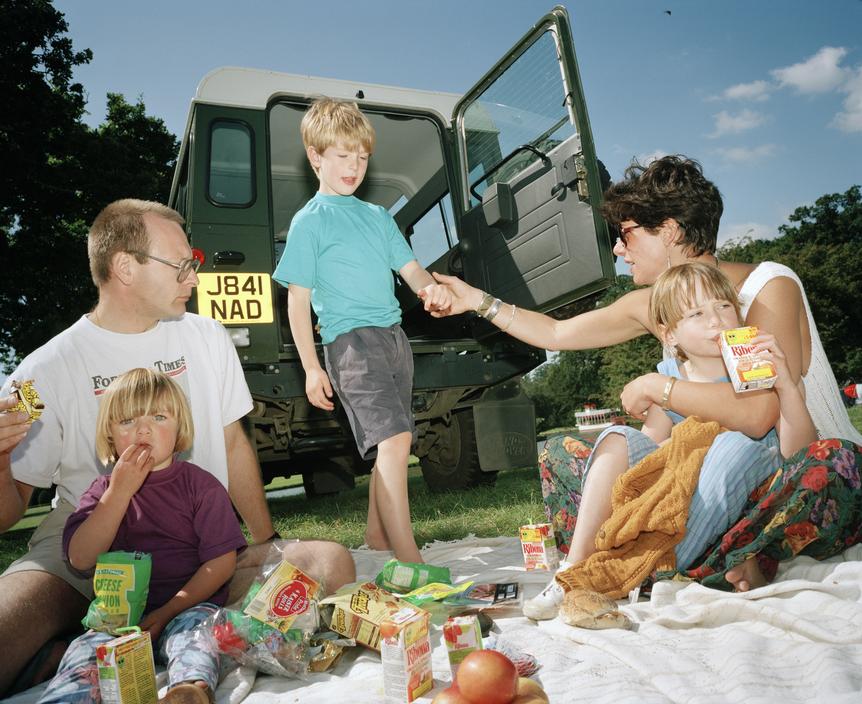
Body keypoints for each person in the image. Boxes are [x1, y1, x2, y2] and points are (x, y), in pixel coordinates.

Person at [432, 155, 861, 585]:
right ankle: (717, 555)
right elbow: (557, 333)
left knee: (830, 466)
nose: (618, 249)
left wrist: (660, 387)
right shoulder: (652, 304)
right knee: (566, 454)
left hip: (780, 471)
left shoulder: (766, 288)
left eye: (627, 234)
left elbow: (758, 415)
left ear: (669, 231)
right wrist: (476, 301)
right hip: (690, 481)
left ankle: (697, 556)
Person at [0, 199, 355, 695]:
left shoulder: (208, 336)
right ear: (125, 266)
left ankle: (160, 634)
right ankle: (116, 639)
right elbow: (9, 510)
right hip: (88, 558)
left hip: (196, 548)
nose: (194, 276)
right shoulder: (38, 374)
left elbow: (233, 444)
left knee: (329, 565)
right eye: (183, 264)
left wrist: (263, 539)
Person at [524, 262, 817, 618]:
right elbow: (647, 461)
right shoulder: (669, 379)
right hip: (680, 503)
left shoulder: (761, 373)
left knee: (730, 446)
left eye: (724, 306)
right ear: (670, 335)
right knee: (617, 436)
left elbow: (800, 454)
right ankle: (575, 567)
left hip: (743, 494)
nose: (716, 320)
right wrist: (678, 452)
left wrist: (787, 386)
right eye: (696, 312)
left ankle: (651, 570)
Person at [272, 98, 451, 564]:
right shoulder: (309, 221)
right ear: (316, 156)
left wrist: (431, 291)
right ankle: (411, 561)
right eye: (342, 155)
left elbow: (411, 270)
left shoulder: (378, 217)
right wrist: (312, 368)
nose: (354, 166)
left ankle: (376, 535)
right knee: (393, 441)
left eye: (362, 156)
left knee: (393, 439)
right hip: (350, 344)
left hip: (394, 340)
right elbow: (298, 299)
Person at [38, 368, 247, 704]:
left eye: (159, 416)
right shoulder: (102, 490)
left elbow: (221, 563)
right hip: (117, 618)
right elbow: (80, 558)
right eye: (127, 421)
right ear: (109, 434)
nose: (142, 429)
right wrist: (119, 492)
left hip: (185, 606)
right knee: (84, 654)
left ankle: (190, 691)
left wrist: (168, 611)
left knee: (197, 638)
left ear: (180, 428)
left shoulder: (200, 486)